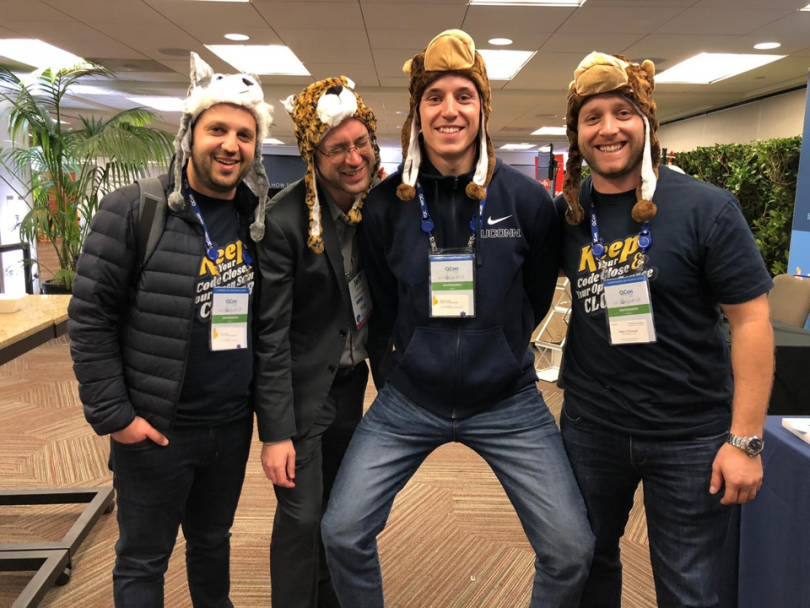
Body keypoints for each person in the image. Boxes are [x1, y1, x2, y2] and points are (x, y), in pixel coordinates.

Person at [321, 30, 595, 607]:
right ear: (417, 112)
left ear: (483, 109)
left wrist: (502, 346)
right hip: (410, 399)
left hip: (508, 401)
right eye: (435, 97)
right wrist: (399, 369)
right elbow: (383, 302)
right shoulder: (385, 206)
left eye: (464, 96)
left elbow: (539, 290)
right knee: (341, 532)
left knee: (570, 548)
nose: (450, 110)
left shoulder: (526, 201)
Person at [556, 52, 774, 608]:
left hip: (690, 436)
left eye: (623, 112)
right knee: (585, 567)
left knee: (690, 588)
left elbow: (751, 322)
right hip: (591, 428)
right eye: (592, 116)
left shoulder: (707, 208)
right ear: (576, 132)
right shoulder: (571, 213)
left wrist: (745, 441)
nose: (608, 128)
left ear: (647, 121)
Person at [67, 52, 273, 607]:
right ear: (190, 133)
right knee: (143, 559)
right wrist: (117, 418)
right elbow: (90, 319)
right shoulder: (134, 209)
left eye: (244, 134)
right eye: (217, 129)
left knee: (212, 543)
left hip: (229, 426)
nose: (231, 144)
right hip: (156, 427)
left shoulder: (258, 220)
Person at [254, 76, 390, 608]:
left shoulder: (378, 207)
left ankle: (328, 598)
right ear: (314, 155)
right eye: (337, 149)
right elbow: (268, 335)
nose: (353, 158)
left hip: (353, 386)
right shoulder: (286, 221)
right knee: (301, 514)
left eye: (361, 144)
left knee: (338, 510)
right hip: (302, 390)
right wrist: (276, 432)